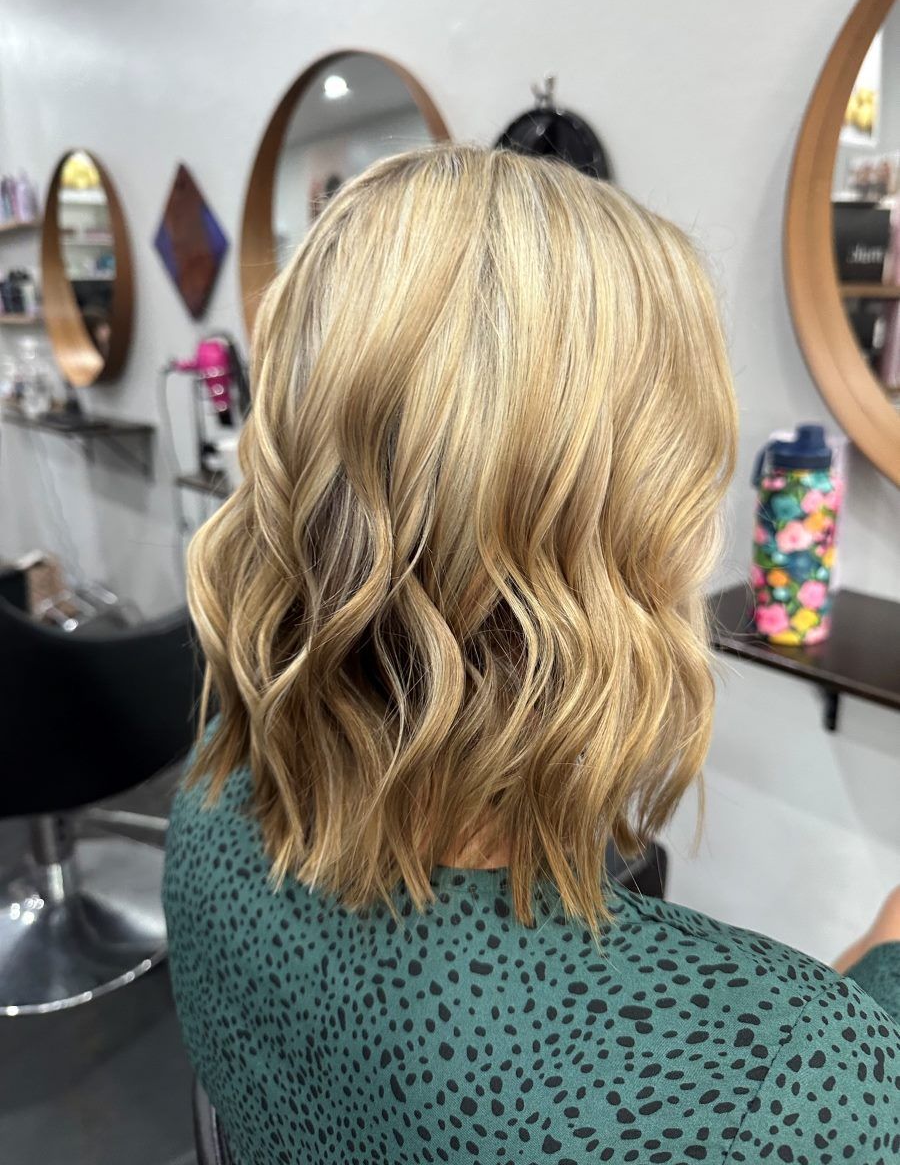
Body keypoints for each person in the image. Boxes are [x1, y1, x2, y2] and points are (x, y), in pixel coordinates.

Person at [164, 145, 900, 1165]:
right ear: (637, 528)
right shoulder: (785, 1076)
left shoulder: (204, 812)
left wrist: (859, 988)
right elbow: (784, 1092)